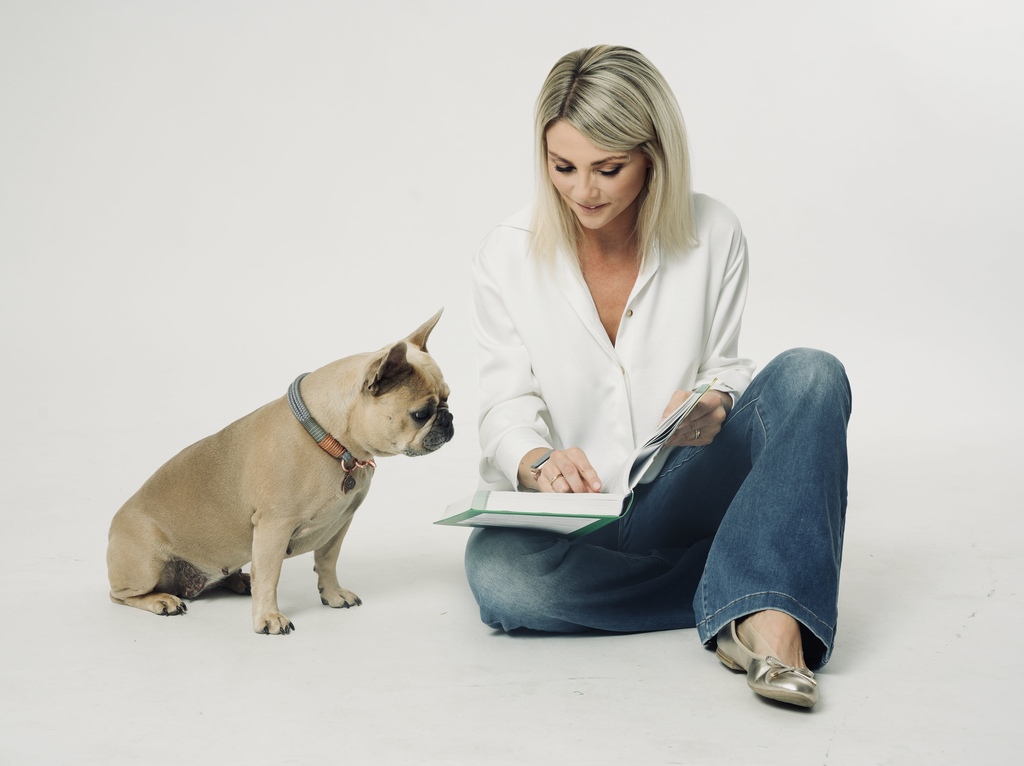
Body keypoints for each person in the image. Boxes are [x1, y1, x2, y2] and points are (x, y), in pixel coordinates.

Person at [462, 45, 852, 709]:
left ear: (653, 156)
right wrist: (534, 460)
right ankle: (747, 585)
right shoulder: (508, 250)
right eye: (563, 167)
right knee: (503, 582)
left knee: (813, 375)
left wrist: (716, 401)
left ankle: (774, 627)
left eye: (608, 169)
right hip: (570, 515)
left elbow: (724, 364)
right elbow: (505, 397)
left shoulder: (714, 231)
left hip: (677, 485)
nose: (583, 191)